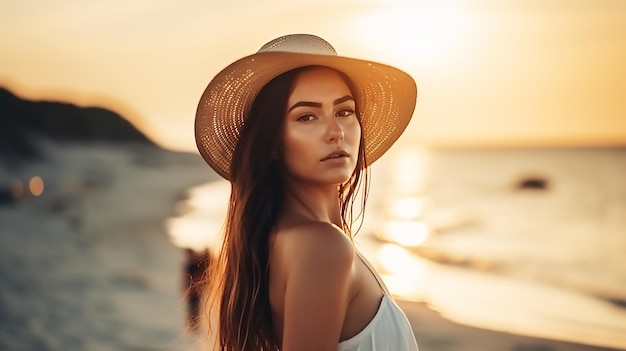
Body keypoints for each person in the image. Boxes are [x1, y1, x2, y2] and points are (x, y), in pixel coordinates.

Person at [195, 34, 418, 351]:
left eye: (344, 111)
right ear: (271, 143)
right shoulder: (322, 246)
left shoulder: (281, 238)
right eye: (307, 116)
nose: (335, 132)